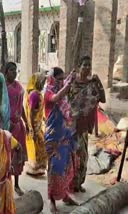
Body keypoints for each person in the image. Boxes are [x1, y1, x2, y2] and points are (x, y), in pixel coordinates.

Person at [68, 56, 106, 193]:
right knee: (72, 156)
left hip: (84, 125)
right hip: (71, 125)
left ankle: (78, 183)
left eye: (89, 65)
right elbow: (65, 101)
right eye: (84, 65)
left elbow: (103, 99)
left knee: (83, 156)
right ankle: (70, 184)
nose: (87, 68)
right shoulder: (72, 81)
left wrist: (99, 82)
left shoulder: (92, 83)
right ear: (79, 66)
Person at [44, 67, 77, 213]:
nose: (61, 81)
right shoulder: (48, 91)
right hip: (53, 139)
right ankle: (51, 200)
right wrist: (67, 85)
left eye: (63, 79)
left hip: (66, 137)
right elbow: (55, 98)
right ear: (53, 79)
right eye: (59, 79)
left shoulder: (64, 94)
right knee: (54, 169)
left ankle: (64, 195)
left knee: (67, 166)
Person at [4, 62, 28, 195]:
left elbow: (21, 106)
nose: (14, 72)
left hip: (18, 127)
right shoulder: (3, 88)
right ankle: (6, 185)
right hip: (8, 127)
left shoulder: (18, 86)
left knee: (18, 154)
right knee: (7, 156)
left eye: (15, 70)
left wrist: (26, 122)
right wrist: (7, 122)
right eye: (11, 70)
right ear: (6, 72)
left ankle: (17, 185)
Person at [25, 72, 47, 176]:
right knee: (39, 145)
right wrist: (32, 127)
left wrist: (43, 118)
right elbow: (32, 111)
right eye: (42, 81)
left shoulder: (37, 93)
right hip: (34, 124)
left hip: (38, 123)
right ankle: (35, 168)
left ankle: (38, 167)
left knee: (40, 145)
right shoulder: (34, 94)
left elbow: (38, 109)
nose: (43, 84)